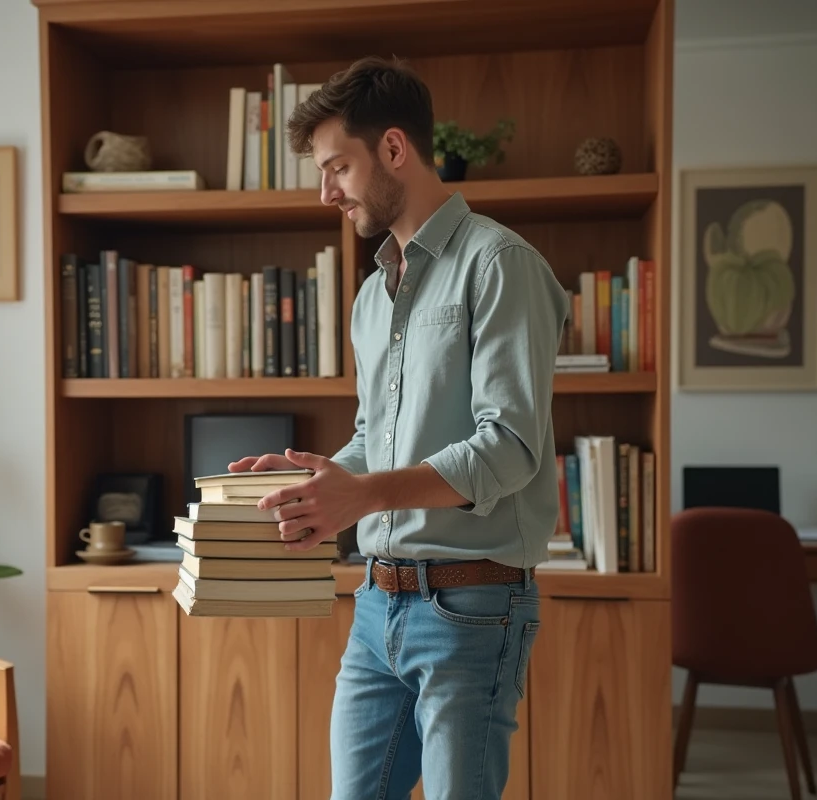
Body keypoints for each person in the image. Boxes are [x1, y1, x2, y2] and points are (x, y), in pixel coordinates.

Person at [226, 55, 570, 800]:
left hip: (471, 607)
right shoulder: (371, 296)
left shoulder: (500, 263)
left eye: (336, 168)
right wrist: (312, 481)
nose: (327, 193)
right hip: (375, 604)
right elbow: (373, 439)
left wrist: (364, 496)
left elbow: (509, 447)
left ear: (392, 149)